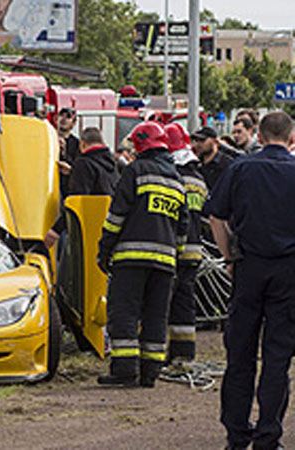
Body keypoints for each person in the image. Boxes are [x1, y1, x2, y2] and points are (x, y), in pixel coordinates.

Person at [206, 111, 295, 450]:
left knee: (239, 355)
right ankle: (268, 437)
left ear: (258, 135)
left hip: (248, 268)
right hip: (288, 273)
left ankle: (237, 434)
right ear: (291, 139)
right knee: (277, 357)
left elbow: (216, 215)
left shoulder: (240, 168)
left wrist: (228, 257)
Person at [97, 121, 188, 388]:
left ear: (140, 146)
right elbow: (182, 228)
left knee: (124, 312)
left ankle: (124, 370)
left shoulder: (135, 171)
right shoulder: (177, 179)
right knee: (156, 316)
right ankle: (150, 373)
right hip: (165, 265)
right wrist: (175, 258)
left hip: (131, 259)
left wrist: (104, 250)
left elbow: (117, 216)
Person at [164, 123, 208, 364]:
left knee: (161, 302)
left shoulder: (173, 179)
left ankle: (158, 354)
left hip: (173, 249)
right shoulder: (199, 180)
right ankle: (184, 353)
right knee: (184, 302)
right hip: (194, 250)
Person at [44, 127, 119, 248]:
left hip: (86, 232)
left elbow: (76, 201)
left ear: (82, 143)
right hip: (106, 231)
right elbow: (98, 185)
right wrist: (73, 173)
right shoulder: (111, 166)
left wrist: (55, 230)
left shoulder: (83, 164)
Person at [190, 126, 235, 191]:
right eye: (196, 140)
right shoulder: (195, 164)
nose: (198, 144)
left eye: (202, 140)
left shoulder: (227, 164)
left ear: (215, 141)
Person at [56, 107, 80, 198]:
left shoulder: (77, 144)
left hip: (65, 189)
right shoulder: (49, 137)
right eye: (61, 115)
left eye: (68, 117)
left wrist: (64, 153)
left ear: (74, 123)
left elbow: (77, 168)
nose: (64, 119)